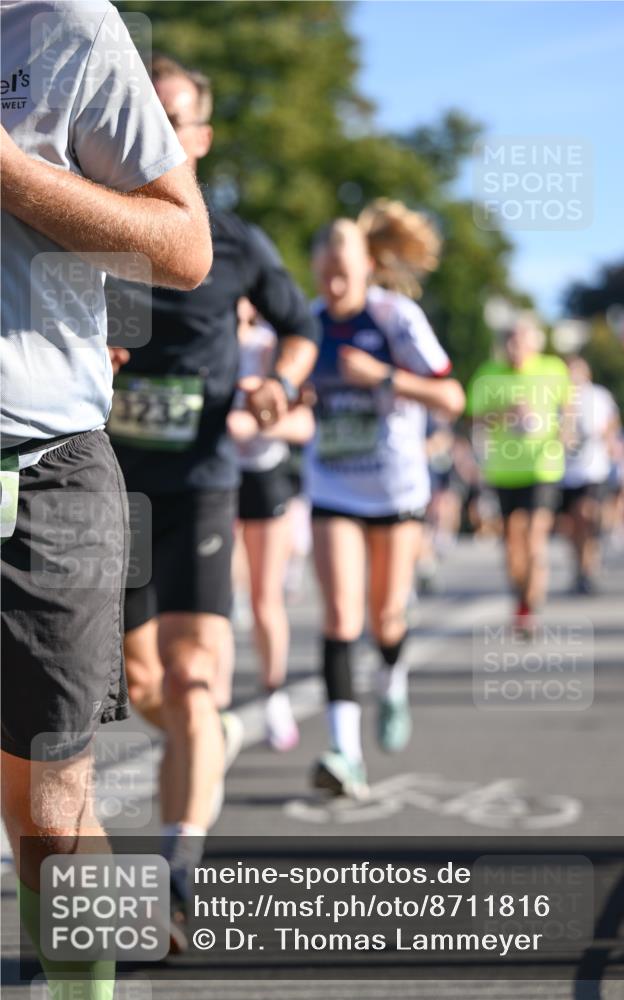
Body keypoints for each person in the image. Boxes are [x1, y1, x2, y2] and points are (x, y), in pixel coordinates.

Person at [0, 2, 212, 997]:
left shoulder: (64, 27)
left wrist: (5, 168)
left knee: (47, 812)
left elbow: (180, 246)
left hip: (40, 466)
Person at [105, 55, 319, 947]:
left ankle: (174, 879)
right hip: (111, 485)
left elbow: (300, 326)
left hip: (200, 483)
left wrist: (281, 388)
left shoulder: (233, 241)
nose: (154, 129)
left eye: (172, 115)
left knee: (194, 683)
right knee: (142, 684)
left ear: (199, 136)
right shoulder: (91, 225)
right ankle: (207, 739)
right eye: (139, 113)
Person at [304, 202, 465, 798]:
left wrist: (383, 378)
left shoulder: (397, 318)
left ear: (369, 265)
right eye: (325, 272)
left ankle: (392, 682)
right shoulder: (309, 323)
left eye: (344, 269)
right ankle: (345, 752)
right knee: (341, 617)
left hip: (396, 488)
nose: (335, 282)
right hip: (333, 486)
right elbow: (291, 398)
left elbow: (451, 397)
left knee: (385, 616)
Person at [227, 298, 315, 750]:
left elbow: (304, 425)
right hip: (215, 475)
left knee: (265, 599)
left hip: (265, 475)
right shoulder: (207, 340)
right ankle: (212, 708)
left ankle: (273, 694)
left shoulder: (274, 347)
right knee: (216, 601)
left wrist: (256, 426)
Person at [467, 316, 572, 630]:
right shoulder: (488, 374)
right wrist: (504, 413)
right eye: (509, 338)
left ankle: (531, 602)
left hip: (543, 467)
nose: (515, 345)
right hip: (504, 470)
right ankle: (522, 598)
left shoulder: (553, 369)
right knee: (513, 542)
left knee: (533, 535)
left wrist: (565, 434)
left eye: (521, 338)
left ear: (534, 342)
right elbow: (473, 421)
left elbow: (567, 412)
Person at [558, 356, 619, 593]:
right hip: (564, 471)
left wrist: (609, 438)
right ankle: (580, 567)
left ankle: (588, 568)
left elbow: (612, 422)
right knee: (570, 525)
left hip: (593, 468)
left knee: (586, 515)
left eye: (577, 370)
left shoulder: (598, 396)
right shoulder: (557, 397)